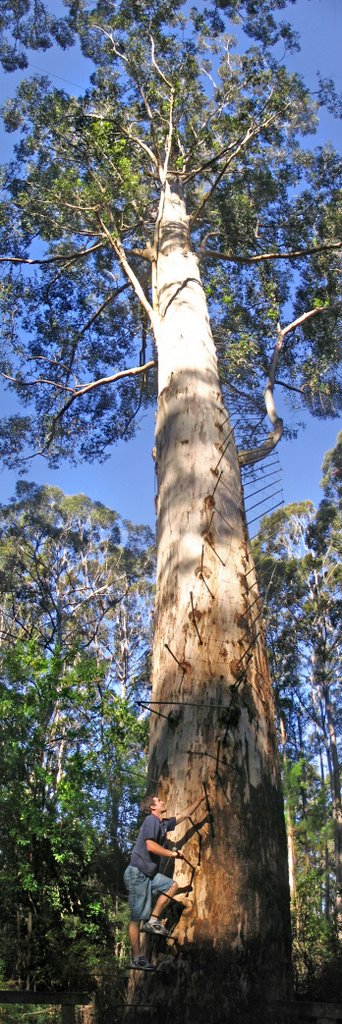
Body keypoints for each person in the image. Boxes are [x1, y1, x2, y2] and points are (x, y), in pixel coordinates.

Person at [124, 792, 205, 970]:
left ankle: (153, 920)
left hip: (150, 875)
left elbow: (183, 815)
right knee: (137, 917)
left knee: (171, 885)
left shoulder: (162, 823)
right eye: (158, 801)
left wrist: (199, 800)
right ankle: (137, 958)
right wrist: (173, 854)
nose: (162, 801)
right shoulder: (151, 821)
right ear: (153, 807)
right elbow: (150, 845)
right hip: (138, 873)